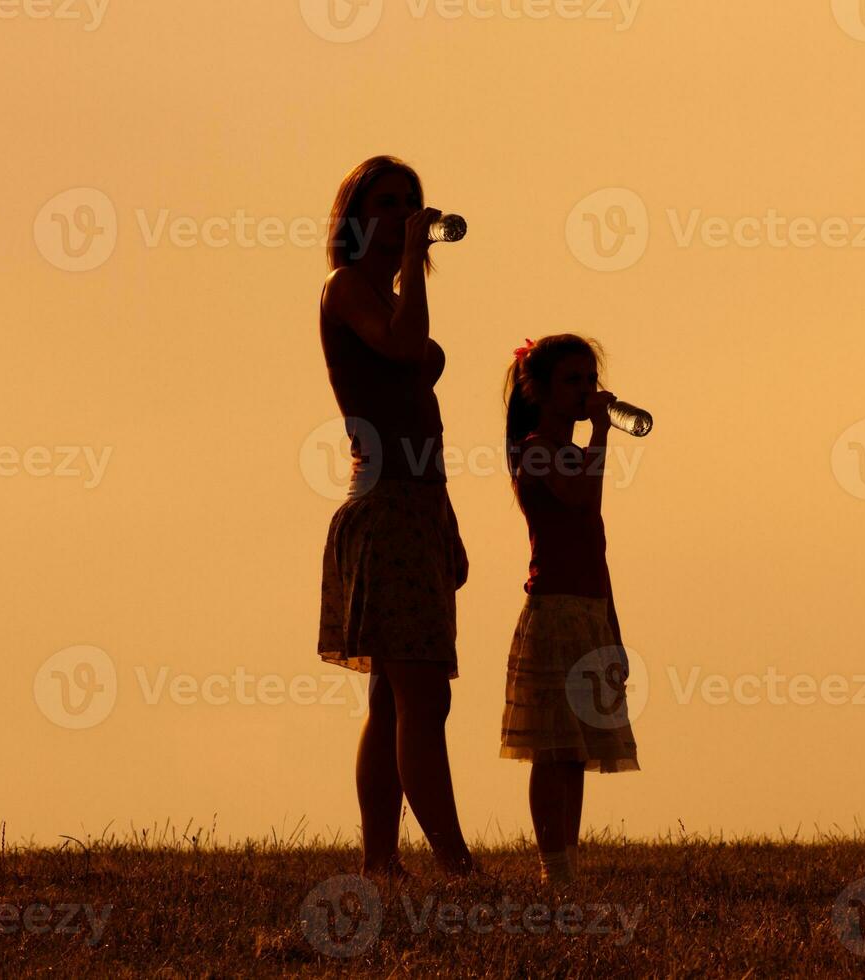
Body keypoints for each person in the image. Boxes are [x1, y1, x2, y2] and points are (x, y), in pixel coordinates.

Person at [316, 155, 477, 879]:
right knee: (422, 692)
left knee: (392, 696)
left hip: (416, 501)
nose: (403, 213)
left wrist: (445, 519)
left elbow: (421, 406)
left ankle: (380, 861)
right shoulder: (349, 287)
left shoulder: (385, 292)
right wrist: (413, 259)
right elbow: (406, 349)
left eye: (410, 203)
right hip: (385, 501)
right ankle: (453, 861)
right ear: (355, 215)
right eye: (386, 203)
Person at [498, 334, 640, 886]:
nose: (586, 392)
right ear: (540, 390)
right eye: (573, 382)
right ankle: (552, 864)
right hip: (553, 610)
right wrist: (604, 433)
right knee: (551, 748)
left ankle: (570, 863)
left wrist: (612, 624)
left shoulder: (579, 455)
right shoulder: (536, 449)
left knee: (577, 749)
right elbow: (577, 497)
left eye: (590, 380)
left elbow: (593, 539)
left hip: (588, 608)